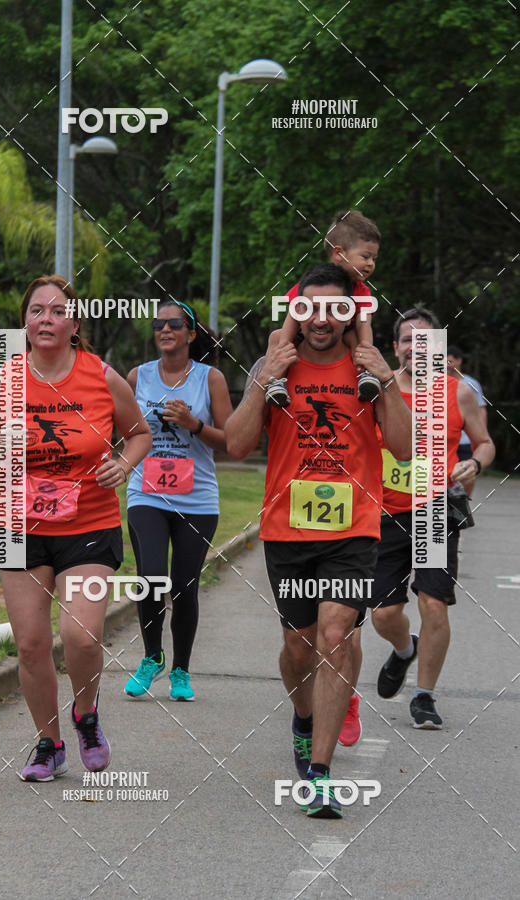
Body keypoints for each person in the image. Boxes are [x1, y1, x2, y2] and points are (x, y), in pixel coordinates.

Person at [225, 263, 412, 818]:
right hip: (287, 528)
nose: (322, 319)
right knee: (298, 647)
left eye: (335, 308)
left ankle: (322, 775)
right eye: (310, 308)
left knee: (335, 636)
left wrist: (387, 379)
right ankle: (303, 720)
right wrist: (264, 379)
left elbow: (402, 449)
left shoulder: (368, 371)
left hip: (353, 528)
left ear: (351, 313)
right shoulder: (274, 365)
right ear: (296, 312)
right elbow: (235, 444)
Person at [0, 275, 152, 781]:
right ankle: (48, 743)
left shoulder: (101, 376)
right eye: (35, 311)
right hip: (15, 526)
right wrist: (6, 442)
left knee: (82, 635)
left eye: (56, 311)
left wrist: (125, 463)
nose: (45, 318)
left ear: (75, 325)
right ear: (25, 324)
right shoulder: (3, 381)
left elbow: (139, 433)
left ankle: (86, 714)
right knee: (29, 644)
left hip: (88, 521)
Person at [366, 309, 495, 729]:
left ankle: (424, 697)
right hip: (384, 512)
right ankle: (405, 649)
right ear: (395, 347)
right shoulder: (378, 389)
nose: (415, 348)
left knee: (433, 604)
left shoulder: (458, 393)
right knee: (384, 615)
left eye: (425, 341)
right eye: (407, 340)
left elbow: (486, 442)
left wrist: (474, 462)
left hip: (434, 510)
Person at [124, 300, 233, 702]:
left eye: (175, 324)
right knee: (151, 576)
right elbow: (120, 429)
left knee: (185, 587)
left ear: (191, 334)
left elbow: (232, 441)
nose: (165, 329)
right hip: (146, 492)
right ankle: (152, 657)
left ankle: (181, 670)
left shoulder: (211, 379)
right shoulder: (138, 376)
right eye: (159, 324)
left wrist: (193, 424)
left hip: (197, 499)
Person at [265, 210, 381, 406]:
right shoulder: (314, 284)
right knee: (277, 337)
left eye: (374, 259)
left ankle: (366, 375)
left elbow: (364, 325)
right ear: (339, 253)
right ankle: (276, 380)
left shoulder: (361, 291)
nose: (370, 264)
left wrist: (366, 350)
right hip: (309, 332)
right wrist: (284, 346)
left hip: (342, 336)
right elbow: (293, 316)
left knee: (356, 337)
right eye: (365, 256)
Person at [446, 345, 488, 463]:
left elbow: (481, 410)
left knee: (465, 478)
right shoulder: (438, 383)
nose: (447, 366)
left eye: (450, 362)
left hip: (466, 441)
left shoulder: (471, 384)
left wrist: (480, 439)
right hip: (444, 442)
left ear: (459, 360)